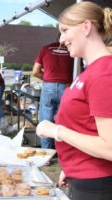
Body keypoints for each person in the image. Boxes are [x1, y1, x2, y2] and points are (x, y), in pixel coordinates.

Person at [36, 2, 112, 199]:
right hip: (83, 178)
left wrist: (56, 131)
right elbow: (86, 126)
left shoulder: (104, 74)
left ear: (86, 27)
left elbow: (110, 147)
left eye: (65, 30)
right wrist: (71, 167)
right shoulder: (91, 71)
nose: (61, 39)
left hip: (99, 186)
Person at [32, 40, 74, 149]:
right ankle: (62, 152)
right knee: (64, 120)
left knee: (46, 118)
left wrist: (48, 80)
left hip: (48, 87)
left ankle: (46, 153)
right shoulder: (72, 49)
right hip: (66, 87)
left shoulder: (46, 48)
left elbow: (35, 71)